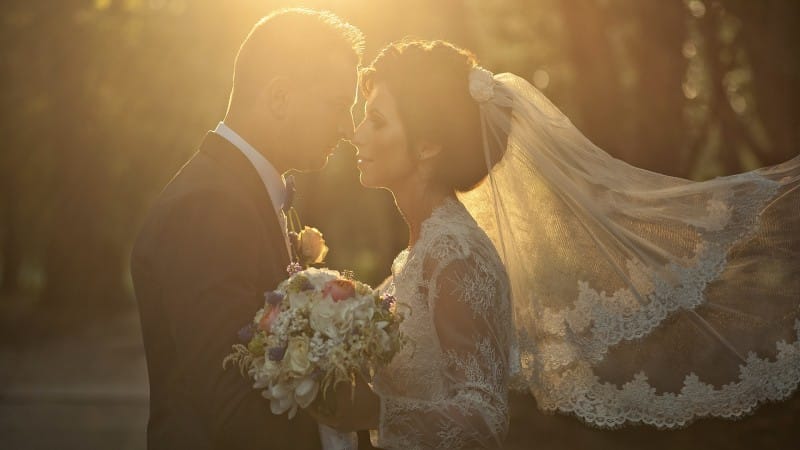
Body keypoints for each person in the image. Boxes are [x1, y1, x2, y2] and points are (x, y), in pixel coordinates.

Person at [312, 39, 800, 449]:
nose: (356, 135)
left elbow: (483, 419)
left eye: (376, 121)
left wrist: (376, 412)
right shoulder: (419, 253)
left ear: (427, 146)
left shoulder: (457, 255)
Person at [130, 9, 363, 449]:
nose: (347, 129)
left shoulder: (247, 191)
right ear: (279, 97)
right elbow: (231, 403)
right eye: (337, 105)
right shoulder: (208, 205)